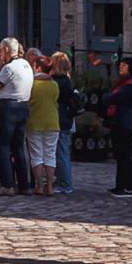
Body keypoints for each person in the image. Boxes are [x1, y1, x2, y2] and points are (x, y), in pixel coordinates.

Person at [0, 37, 33, 195]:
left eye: (0, 49)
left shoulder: (9, 68)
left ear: (6, 49)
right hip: (24, 105)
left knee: (3, 145)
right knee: (18, 146)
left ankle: (7, 185)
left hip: (9, 106)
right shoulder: (26, 64)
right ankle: (24, 184)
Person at [102, 58, 132, 198]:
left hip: (125, 122)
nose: (121, 68)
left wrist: (109, 98)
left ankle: (127, 187)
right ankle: (120, 185)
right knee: (119, 155)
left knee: (125, 155)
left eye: (124, 66)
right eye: (120, 65)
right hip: (118, 121)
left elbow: (117, 98)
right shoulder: (123, 83)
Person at [26, 54, 60, 196]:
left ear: (38, 67)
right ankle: (50, 185)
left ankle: (39, 185)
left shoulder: (32, 84)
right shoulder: (54, 84)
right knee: (50, 155)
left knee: (37, 155)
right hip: (52, 122)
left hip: (35, 121)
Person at [51, 52, 77, 194]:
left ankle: (65, 183)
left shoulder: (59, 81)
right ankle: (61, 180)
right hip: (66, 119)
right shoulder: (67, 80)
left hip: (61, 120)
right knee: (62, 151)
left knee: (61, 152)